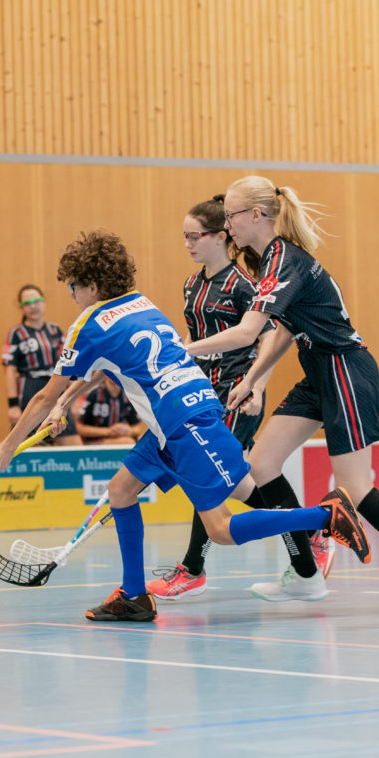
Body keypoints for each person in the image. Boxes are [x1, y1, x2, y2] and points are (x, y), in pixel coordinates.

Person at [0, 229, 370, 624]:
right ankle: (133, 595)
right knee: (121, 491)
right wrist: (66, 401)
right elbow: (106, 367)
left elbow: (42, 396)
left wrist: (7, 448)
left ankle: (324, 518)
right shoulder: (140, 304)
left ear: (94, 285)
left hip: (187, 423)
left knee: (219, 529)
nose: (70, 294)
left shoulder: (89, 324)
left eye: (73, 285)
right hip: (177, 419)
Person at [183, 176, 379, 616]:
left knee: (354, 487)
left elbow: (247, 331)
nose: (227, 224)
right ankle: (307, 575)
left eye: (232, 215)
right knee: (262, 465)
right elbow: (285, 331)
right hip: (318, 371)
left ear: (256, 215)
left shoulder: (283, 260)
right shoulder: (266, 260)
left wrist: (179, 351)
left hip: (346, 369)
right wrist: (255, 378)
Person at [151, 197, 333, 602]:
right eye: (183, 237)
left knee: (206, 476)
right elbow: (193, 341)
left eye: (194, 236)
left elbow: (268, 335)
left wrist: (259, 384)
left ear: (220, 238)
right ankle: (311, 531)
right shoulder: (192, 284)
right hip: (201, 394)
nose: (187, 244)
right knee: (235, 481)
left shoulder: (243, 284)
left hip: (236, 391)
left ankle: (191, 570)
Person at [2, 285, 83, 446]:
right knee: (31, 442)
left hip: (55, 386)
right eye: (27, 303)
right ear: (21, 307)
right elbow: (10, 369)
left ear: (43, 302)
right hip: (29, 388)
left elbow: (66, 365)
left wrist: (72, 398)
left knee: (72, 442)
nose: (33, 306)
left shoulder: (55, 331)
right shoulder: (16, 333)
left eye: (36, 301)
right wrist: (12, 405)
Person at [74, 375, 145, 445]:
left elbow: (138, 427)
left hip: (120, 438)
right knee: (128, 442)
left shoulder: (128, 396)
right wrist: (108, 431)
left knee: (139, 441)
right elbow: (79, 427)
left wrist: (129, 430)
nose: (115, 373)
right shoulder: (93, 393)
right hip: (92, 442)